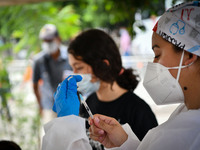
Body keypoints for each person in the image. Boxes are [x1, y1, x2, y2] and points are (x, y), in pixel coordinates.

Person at [88, 1, 200, 149]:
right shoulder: (185, 114)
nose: (154, 63)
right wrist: (124, 143)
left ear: (189, 56)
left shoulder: (179, 136)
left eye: (158, 54)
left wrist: (63, 127)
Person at [42, 29, 157, 150]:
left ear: (104, 66)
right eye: (72, 68)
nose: (74, 74)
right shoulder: (89, 102)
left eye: (79, 67)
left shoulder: (139, 111)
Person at [32, 24, 72, 123]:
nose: (47, 43)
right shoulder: (39, 60)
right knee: (51, 136)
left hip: (69, 106)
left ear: (58, 39)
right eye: (45, 41)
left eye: (50, 40)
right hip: (49, 107)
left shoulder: (70, 56)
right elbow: (34, 85)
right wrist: (40, 106)